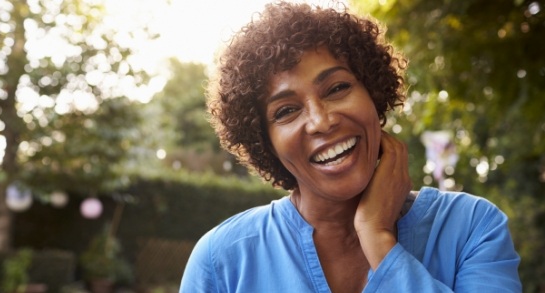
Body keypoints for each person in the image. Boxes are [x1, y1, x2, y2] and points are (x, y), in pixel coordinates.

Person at [180, 1, 522, 292]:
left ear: (373, 94)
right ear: (265, 142)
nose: (321, 121)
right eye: (286, 111)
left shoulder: (472, 227)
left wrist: (378, 238)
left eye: (337, 88)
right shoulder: (222, 260)